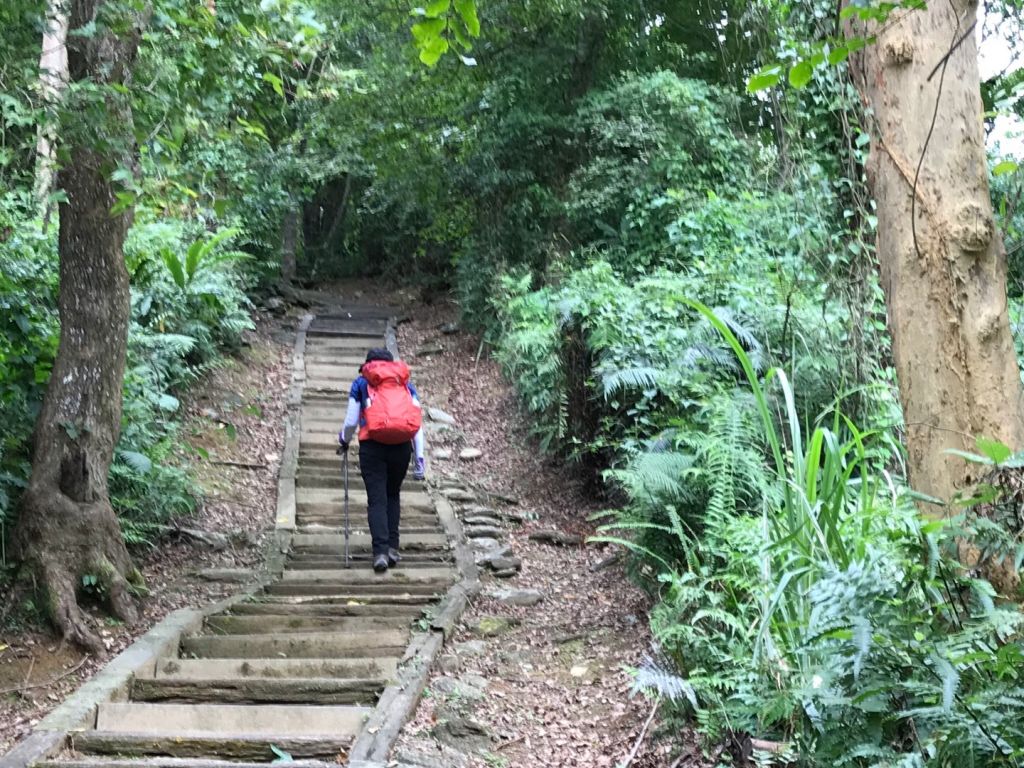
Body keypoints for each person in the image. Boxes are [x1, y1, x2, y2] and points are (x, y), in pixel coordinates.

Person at [338, 348, 425, 572]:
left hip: (372, 447)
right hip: (401, 447)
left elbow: (350, 421)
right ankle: (393, 548)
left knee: (377, 500)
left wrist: (343, 440)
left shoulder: (361, 383)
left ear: (368, 364)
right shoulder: (404, 384)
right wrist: (420, 457)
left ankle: (380, 553)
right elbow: (416, 423)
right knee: (393, 494)